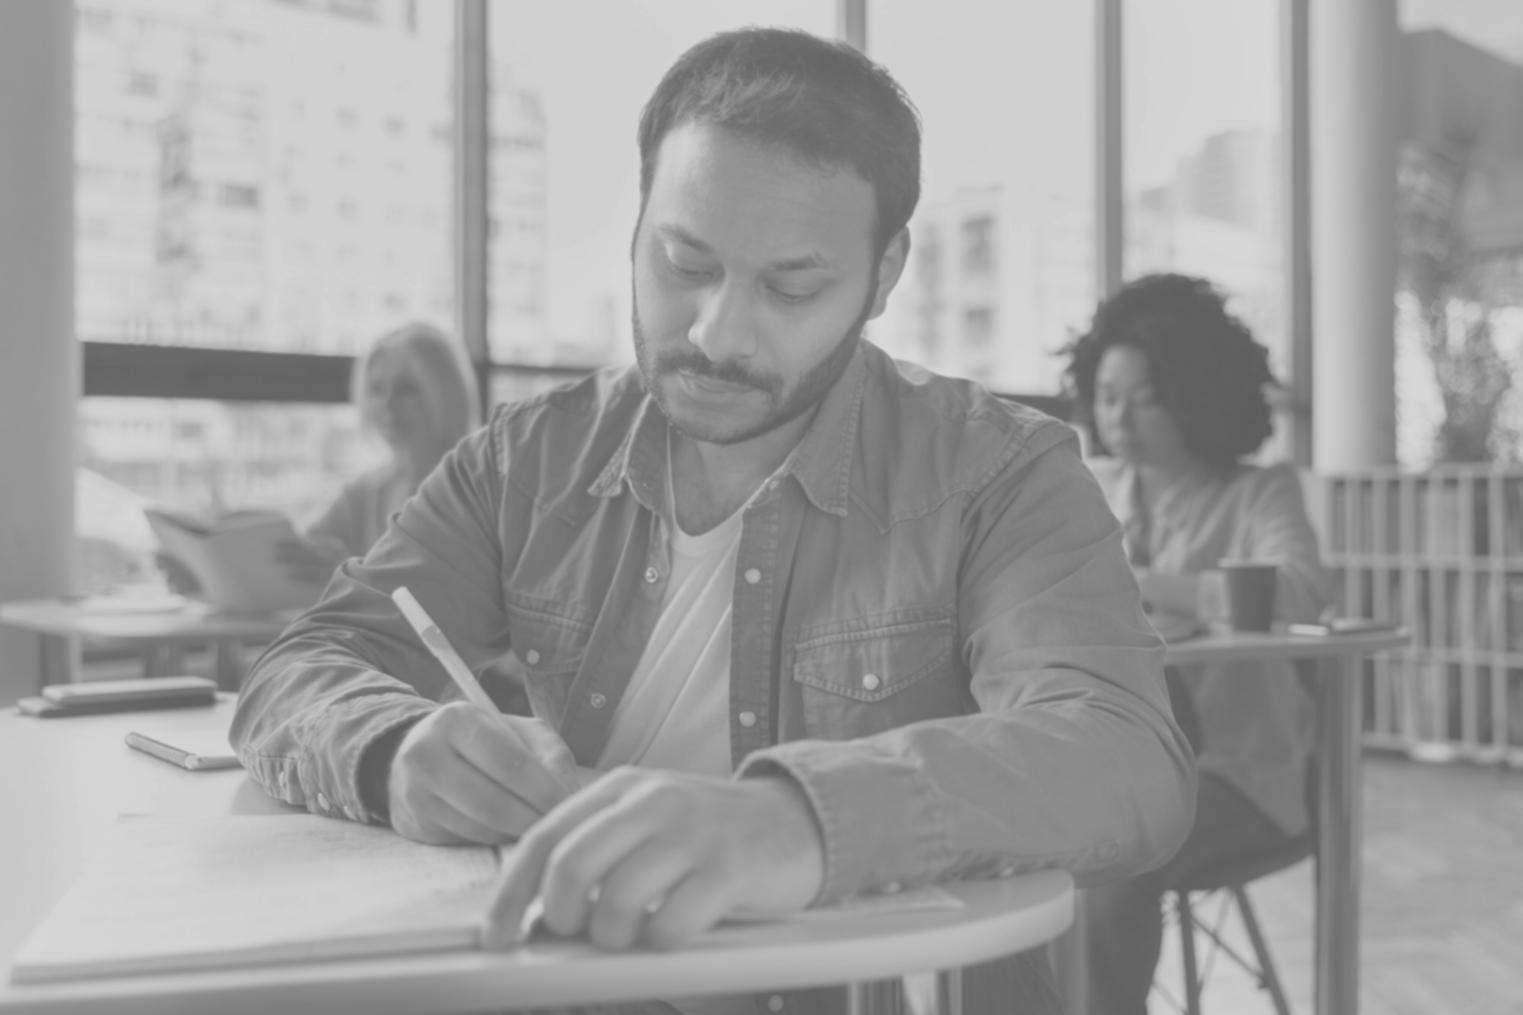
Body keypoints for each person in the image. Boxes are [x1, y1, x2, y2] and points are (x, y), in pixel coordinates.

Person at [232, 28, 1195, 1014]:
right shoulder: (526, 460)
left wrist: (794, 821)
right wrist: (395, 747)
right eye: (683, 263)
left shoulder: (995, 469)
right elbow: (308, 662)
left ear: (884, 272)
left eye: (790, 286)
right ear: (637, 221)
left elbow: (1122, 756)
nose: (717, 334)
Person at [1062, 273, 1332, 1015]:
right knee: (1018, 839)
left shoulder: (1259, 492)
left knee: (1108, 857)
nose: (1120, 416)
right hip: (1116, 769)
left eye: (1144, 397)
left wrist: (1149, 581)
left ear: (1196, 392)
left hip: (1240, 779)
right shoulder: (1086, 488)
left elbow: (1301, 591)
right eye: (1108, 394)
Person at [158, 322, 480, 596]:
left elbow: (461, 604)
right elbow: (296, 564)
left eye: (409, 389)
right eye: (377, 389)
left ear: (447, 393)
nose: (388, 405)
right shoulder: (364, 495)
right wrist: (209, 576)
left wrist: (355, 579)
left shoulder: (477, 492)